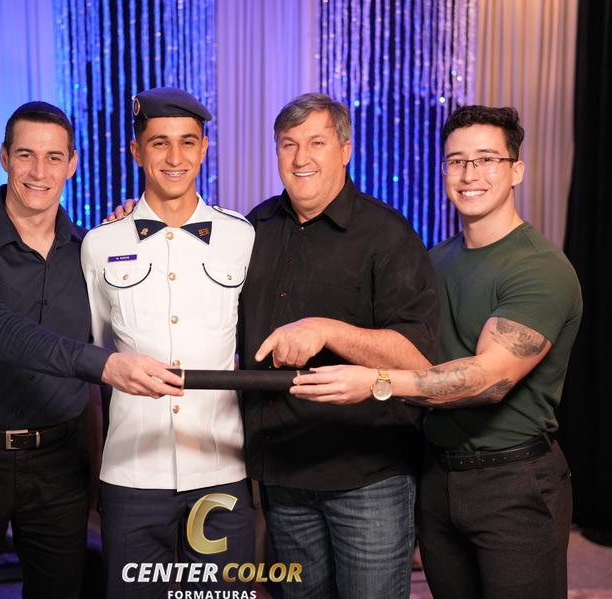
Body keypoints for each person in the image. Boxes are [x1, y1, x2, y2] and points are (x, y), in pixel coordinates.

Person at [291, 105, 582, 599]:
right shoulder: (434, 261)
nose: (469, 174)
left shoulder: (540, 268)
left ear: (516, 170)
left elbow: (488, 380)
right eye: (456, 161)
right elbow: (400, 346)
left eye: (486, 159)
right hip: (436, 475)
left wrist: (376, 382)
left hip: (513, 481)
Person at [0, 101, 183, 599]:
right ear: (4, 157)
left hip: (60, 461)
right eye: (26, 155)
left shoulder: (93, 251)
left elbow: (144, 310)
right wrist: (105, 366)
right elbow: (0, 330)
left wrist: (138, 230)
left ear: (72, 164)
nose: (39, 172)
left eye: (53, 157)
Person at [236, 93, 439, 599]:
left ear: (345, 150)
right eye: (288, 144)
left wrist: (328, 330)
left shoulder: (387, 234)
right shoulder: (252, 229)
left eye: (317, 143)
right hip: (282, 474)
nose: (301, 158)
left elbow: (419, 359)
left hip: (367, 478)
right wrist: (134, 216)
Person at [80, 88, 255, 598]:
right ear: (137, 151)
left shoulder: (242, 237)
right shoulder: (100, 244)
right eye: (159, 143)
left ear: (204, 149)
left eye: (188, 142)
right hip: (132, 473)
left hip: (221, 469)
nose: (175, 157)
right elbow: (96, 361)